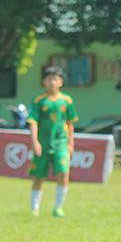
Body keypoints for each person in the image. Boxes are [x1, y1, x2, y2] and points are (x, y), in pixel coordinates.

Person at [27, 66, 77, 218]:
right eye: (50, 79)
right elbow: (33, 122)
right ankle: (34, 208)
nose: (53, 82)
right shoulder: (39, 101)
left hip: (61, 143)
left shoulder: (67, 100)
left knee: (63, 173)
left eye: (55, 79)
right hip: (43, 143)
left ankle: (58, 208)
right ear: (44, 82)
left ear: (61, 82)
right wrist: (35, 142)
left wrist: (71, 143)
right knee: (39, 176)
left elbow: (70, 122)